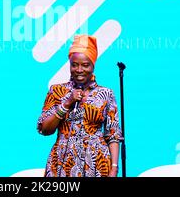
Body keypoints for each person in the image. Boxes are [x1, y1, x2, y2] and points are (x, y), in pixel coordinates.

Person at [37, 34, 123, 177]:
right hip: (62, 162)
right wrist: (67, 103)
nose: (79, 70)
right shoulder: (57, 91)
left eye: (85, 65)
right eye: (74, 64)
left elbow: (113, 135)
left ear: (93, 66)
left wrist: (114, 168)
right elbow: (45, 129)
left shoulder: (106, 94)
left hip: (96, 163)